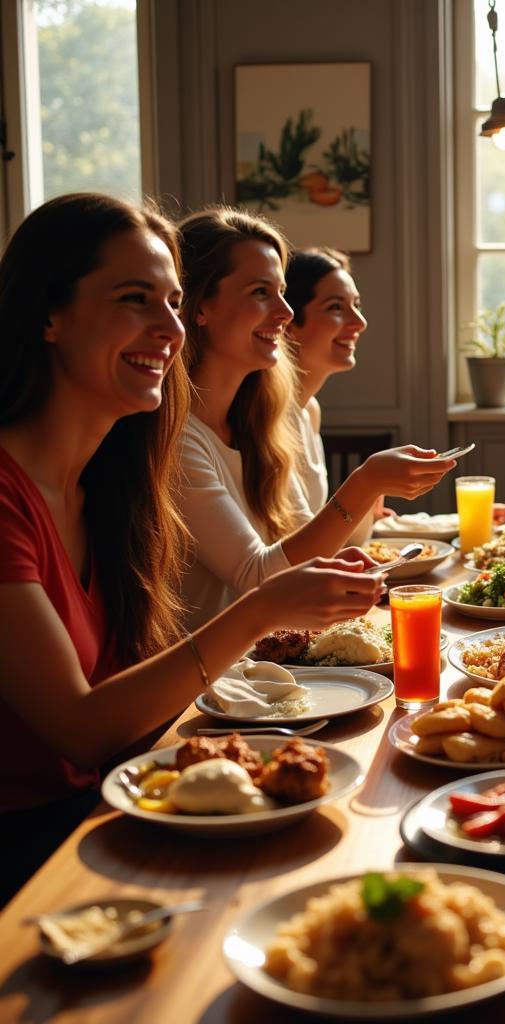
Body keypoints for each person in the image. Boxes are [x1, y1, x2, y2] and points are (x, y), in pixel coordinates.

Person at [0, 194, 384, 903]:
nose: (168, 328)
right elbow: (80, 731)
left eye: (173, 301)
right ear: (48, 314)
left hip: (130, 804)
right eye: (135, 299)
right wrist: (261, 610)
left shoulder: (114, 485)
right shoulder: (8, 498)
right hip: (35, 854)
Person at [176, 210, 456, 629]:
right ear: (200, 307)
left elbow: (294, 546)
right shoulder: (180, 440)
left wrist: (338, 563)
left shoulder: (259, 423)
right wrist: (365, 484)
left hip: (270, 657)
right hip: (214, 683)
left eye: (282, 292)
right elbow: (257, 578)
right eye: (259, 292)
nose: (284, 313)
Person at [283, 245, 505, 536]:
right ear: (287, 322)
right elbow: (298, 552)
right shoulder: (270, 420)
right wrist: (365, 488)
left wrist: (460, 522)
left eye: (356, 304)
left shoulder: (309, 410)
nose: (359, 322)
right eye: (335, 307)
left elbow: (321, 531)